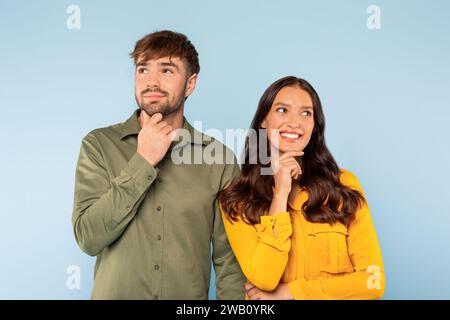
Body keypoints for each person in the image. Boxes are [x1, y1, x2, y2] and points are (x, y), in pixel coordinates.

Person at [72, 30, 245, 299]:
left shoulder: (219, 159)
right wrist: (143, 161)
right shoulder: (98, 146)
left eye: (166, 70)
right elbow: (88, 237)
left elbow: (229, 262)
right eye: (143, 70)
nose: (151, 81)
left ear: (190, 84)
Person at [218, 76, 385, 300]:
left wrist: (292, 292)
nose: (294, 122)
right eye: (282, 110)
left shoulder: (345, 185)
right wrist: (280, 194)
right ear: (263, 121)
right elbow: (264, 278)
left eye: (306, 113)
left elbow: (373, 281)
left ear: (315, 126)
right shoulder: (237, 200)